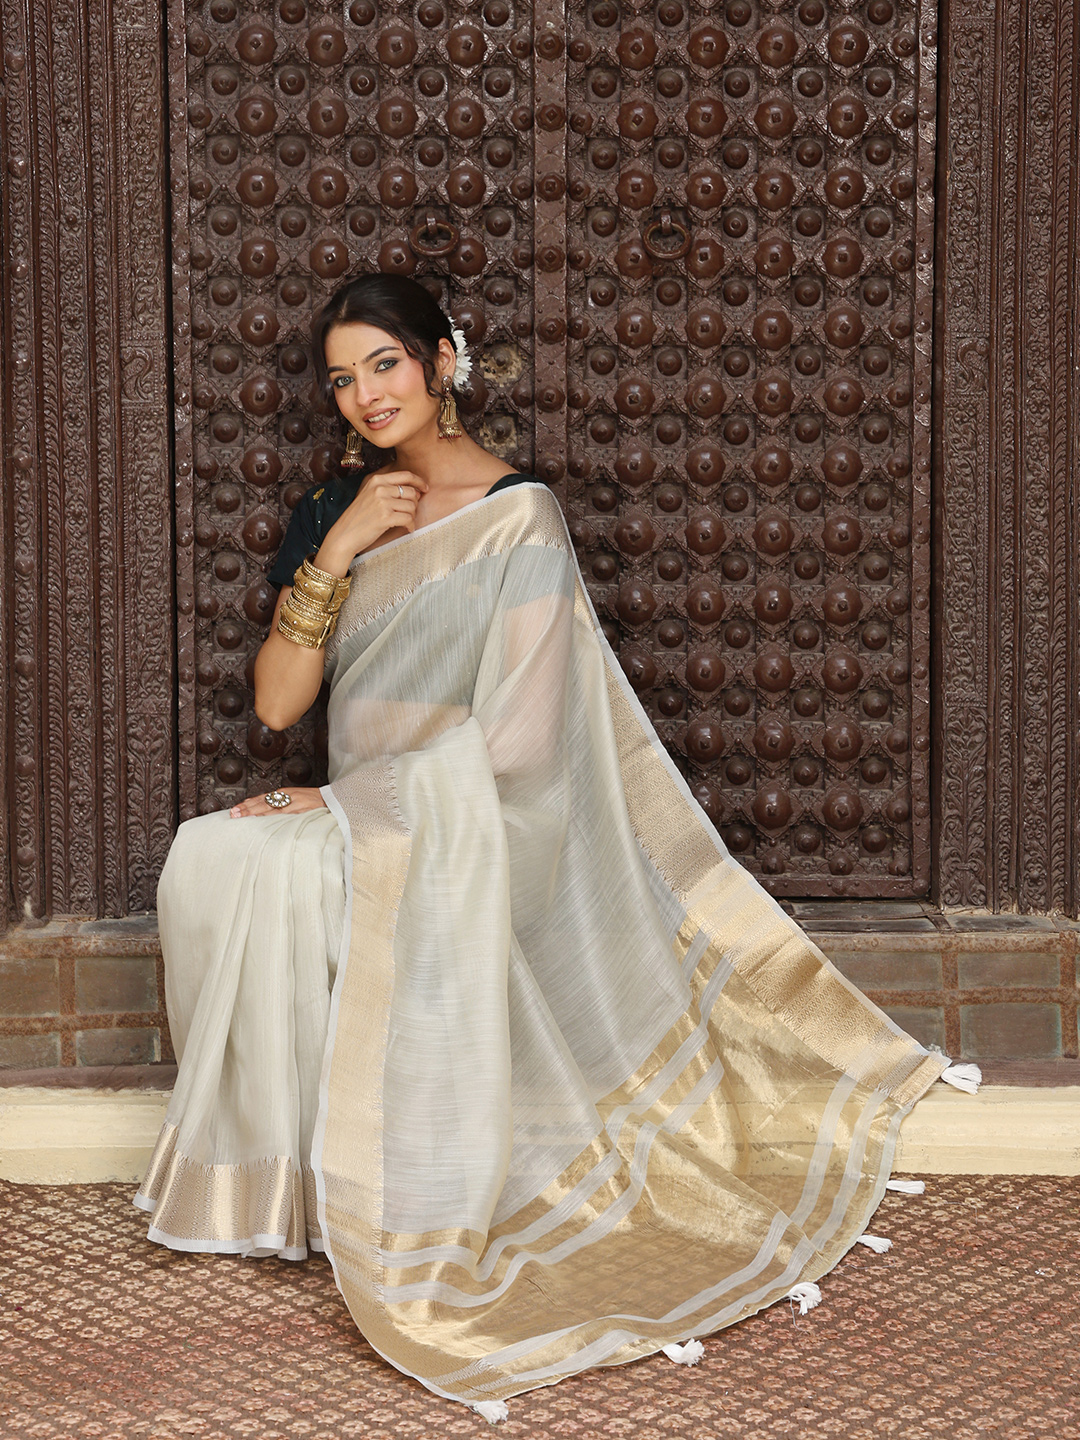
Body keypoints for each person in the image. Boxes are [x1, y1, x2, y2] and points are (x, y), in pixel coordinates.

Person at [136, 273, 971, 1420]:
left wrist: (340, 805)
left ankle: (391, 1191)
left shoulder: (518, 514)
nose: (366, 394)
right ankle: (280, 1195)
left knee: (275, 860)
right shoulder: (335, 507)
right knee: (210, 856)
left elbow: (525, 743)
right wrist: (337, 553)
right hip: (381, 812)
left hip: (475, 821)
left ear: (441, 362)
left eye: (385, 363)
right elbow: (281, 705)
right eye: (342, 378)